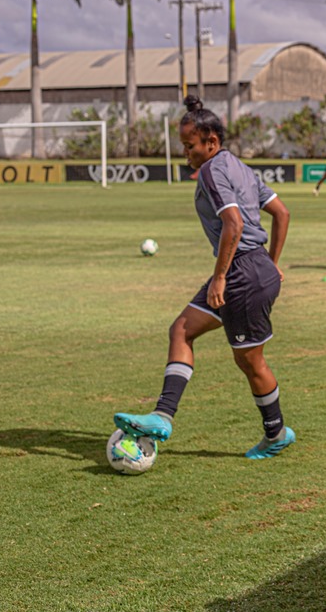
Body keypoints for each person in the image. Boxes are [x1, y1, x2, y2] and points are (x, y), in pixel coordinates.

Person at [114, 95, 295, 460]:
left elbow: (235, 223)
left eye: (190, 146)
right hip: (253, 267)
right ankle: (163, 416)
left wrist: (220, 278)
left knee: (251, 361)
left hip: (241, 274)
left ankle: (276, 434)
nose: (187, 154)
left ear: (211, 142)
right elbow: (282, 213)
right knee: (182, 329)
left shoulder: (213, 170)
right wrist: (271, 263)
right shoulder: (239, 167)